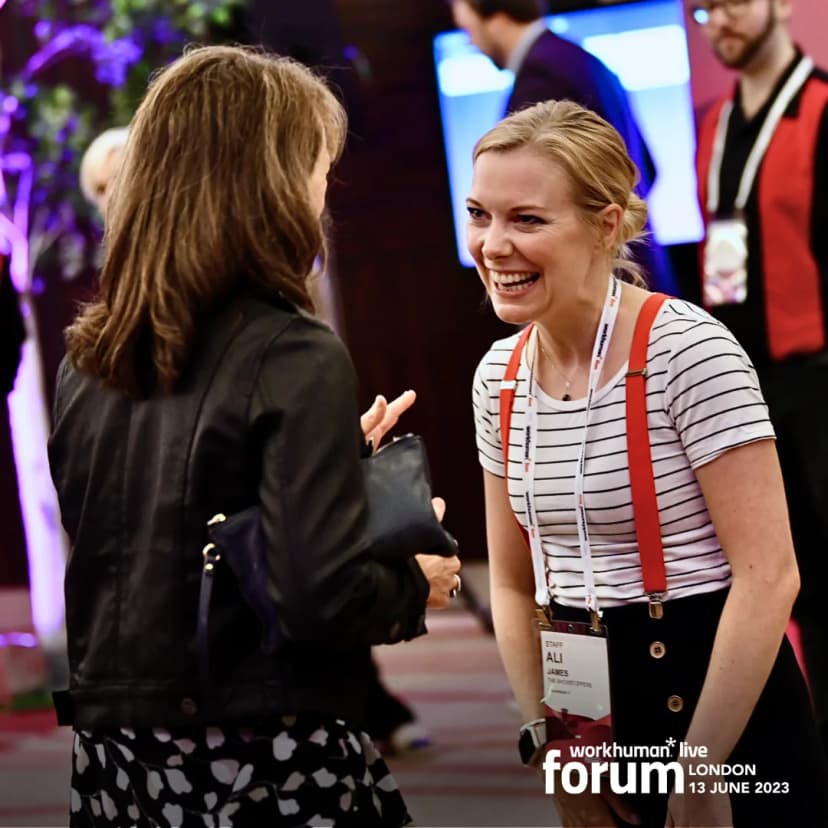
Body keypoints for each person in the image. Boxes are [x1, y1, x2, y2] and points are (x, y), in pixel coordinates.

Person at [47, 45, 461, 828]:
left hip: (118, 762)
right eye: (316, 168)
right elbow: (321, 601)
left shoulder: (88, 356)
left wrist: (331, 467)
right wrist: (416, 581)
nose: (322, 196)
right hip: (261, 757)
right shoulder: (291, 352)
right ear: (262, 182)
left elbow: (149, 542)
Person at [469, 99, 828, 826]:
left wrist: (700, 770)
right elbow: (511, 583)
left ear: (606, 225)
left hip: (721, 707)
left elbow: (770, 575)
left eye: (527, 219)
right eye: (480, 214)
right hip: (590, 711)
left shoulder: (687, 350)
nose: (493, 245)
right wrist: (558, 749)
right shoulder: (497, 377)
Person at [692, 0, 828, 760]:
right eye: (703, 9)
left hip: (816, 382)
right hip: (739, 387)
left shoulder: (821, 108)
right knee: (769, 575)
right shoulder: (714, 124)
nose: (719, 20)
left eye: (735, 2)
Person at [449, 0, 678, 296]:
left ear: (495, 14)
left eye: (468, 29)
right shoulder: (582, 60)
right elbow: (647, 170)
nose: (470, 41)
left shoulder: (542, 80)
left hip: (598, 299)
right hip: (638, 283)